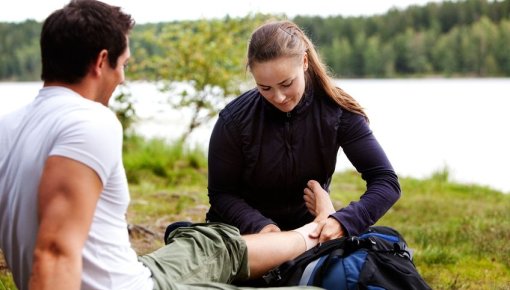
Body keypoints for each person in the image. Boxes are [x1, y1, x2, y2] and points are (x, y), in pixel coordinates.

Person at [0, 2, 325, 290]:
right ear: (102, 62)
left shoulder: (7, 127)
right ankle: (319, 233)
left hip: (137, 271)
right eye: (123, 64)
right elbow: (55, 252)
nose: (123, 78)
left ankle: (316, 229)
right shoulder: (89, 121)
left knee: (213, 242)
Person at [206, 20, 401, 242]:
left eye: (287, 83)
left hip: (307, 236)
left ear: (305, 62)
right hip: (245, 237)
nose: (278, 97)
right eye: (265, 88)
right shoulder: (234, 120)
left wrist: (342, 221)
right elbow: (221, 194)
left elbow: (386, 181)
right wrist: (261, 227)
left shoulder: (338, 112)